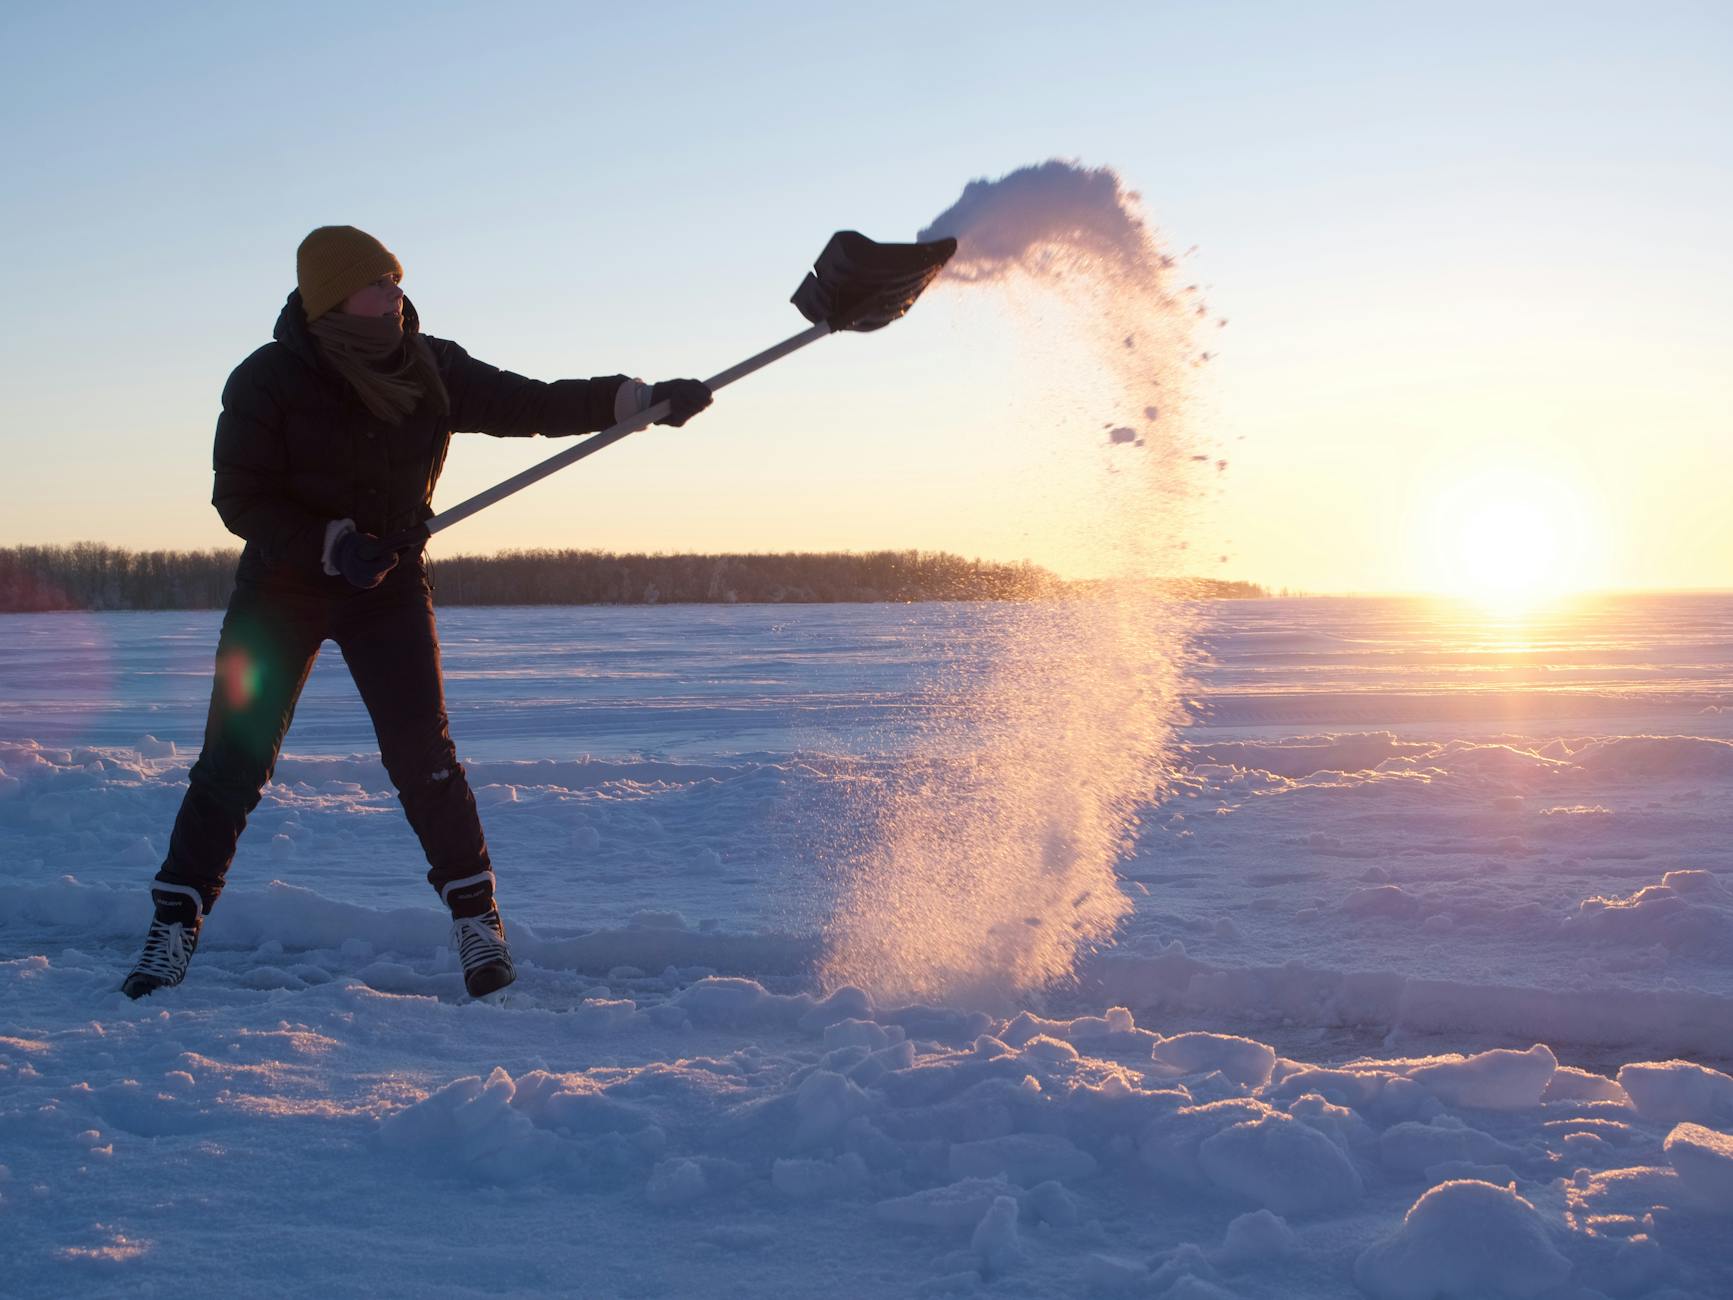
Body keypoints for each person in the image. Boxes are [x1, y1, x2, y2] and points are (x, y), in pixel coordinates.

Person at [121, 225, 711, 1000]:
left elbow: (527, 401)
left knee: (422, 758)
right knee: (234, 758)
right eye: (379, 283)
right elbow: (239, 496)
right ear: (333, 296)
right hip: (282, 591)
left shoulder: (430, 366)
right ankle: (174, 923)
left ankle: (477, 923)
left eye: (397, 280)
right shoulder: (267, 378)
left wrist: (635, 401)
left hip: (388, 588)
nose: (396, 294)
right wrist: (329, 542)